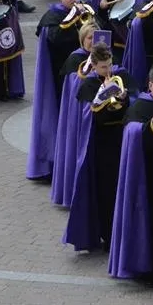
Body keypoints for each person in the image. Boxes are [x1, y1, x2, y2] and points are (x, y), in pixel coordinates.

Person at [63, 42, 138, 252]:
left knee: (119, 186)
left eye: (109, 65)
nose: (108, 71)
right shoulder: (88, 85)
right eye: (103, 67)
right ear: (94, 66)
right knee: (104, 189)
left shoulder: (120, 77)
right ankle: (106, 233)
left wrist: (124, 99)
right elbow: (88, 116)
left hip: (119, 138)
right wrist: (101, 98)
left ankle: (119, 231)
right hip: (100, 142)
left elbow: (134, 100)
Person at [109, 65, 153, 282]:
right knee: (152, 222)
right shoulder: (140, 107)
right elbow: (134, 134)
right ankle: (150, 268)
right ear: (150, 85)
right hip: (147, 175)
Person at [27, 0, 88, 180]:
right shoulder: (52, 16)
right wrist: (72, 17)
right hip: (58, 75)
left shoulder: (86, 11)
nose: (73, 0)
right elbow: (55, 38)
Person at [49, 21, 99, 207]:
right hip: (79, 113)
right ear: (82, 39)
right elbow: (75, 87)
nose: (93, 42)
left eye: (97, 38)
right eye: (89, 38)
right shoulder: (75, 59)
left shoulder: (105, 57)